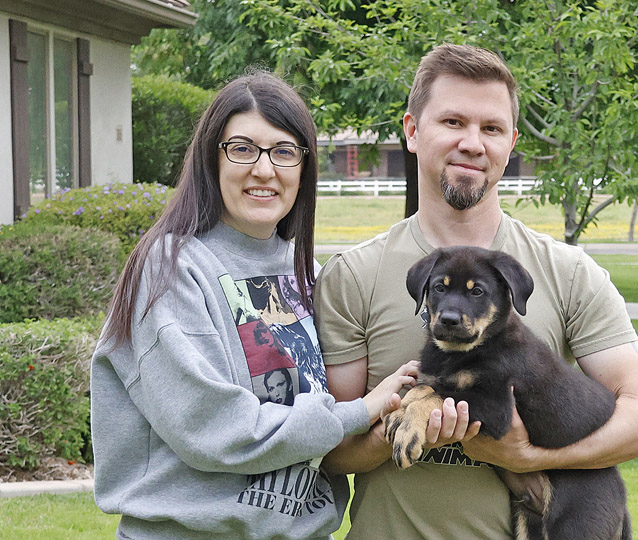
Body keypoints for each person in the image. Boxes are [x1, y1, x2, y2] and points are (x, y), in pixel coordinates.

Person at [314, 44, 638, 539]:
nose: (472, 143)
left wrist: (531, 456)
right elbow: (331, 452)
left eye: (491, 128)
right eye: (453, 122)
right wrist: (421, 418)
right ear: (413, 131)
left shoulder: (568, 272)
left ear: (512, 142)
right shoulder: (352, 275)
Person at [90, 71, 419, 540]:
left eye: (284, 152)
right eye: (243, 149)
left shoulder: (309, 274)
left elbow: (335, 438)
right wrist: (359, 412)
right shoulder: (172, 269)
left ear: (303, 169)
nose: (264, 170)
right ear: (212, 159)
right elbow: (214, 427)